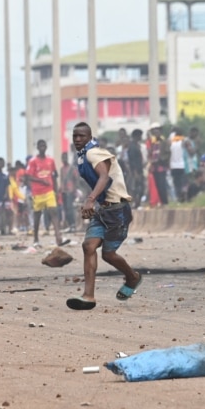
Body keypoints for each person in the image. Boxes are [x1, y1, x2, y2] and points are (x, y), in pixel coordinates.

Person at [66, 122, 141, 311]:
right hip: (103, 209)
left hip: (117, 210)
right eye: (75, 136)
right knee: (88, 246)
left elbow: (104, 177)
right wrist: (93, 202)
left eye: (81, 136)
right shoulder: (83, 156)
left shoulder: (93, 153)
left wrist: (90, 199)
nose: (77, 139)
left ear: (89, 137)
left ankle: (132, 277)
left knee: (108, 254)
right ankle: (88, 296)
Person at [26, 140, 67, 247]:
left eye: (44, 145)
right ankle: (35, 238)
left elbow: (54, 175)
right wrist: (40, 181)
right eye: (40, 145)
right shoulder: (33, 161)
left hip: (49, 191)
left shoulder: (50, 160)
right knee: (37, 216)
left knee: (53, 212)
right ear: (38, 147)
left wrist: (56, 190)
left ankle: (58, 237)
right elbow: (28, 176)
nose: (42, 147)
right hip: (37, 192)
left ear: (46, 147)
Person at [147, 123, 170, 206]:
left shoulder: (164, 141)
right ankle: (161, 202)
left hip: (161, 166)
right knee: (156, 185)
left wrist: (161, 159)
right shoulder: (152, 143)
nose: (156, 133)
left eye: (157, 131)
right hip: (154, 167)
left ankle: (165, 201)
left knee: (162, 184)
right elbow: (150, 154)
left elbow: (168, 153)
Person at [59, 151, 79, 233]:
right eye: (63, 157)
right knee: (66, 209)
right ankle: (70, 225)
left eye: (65, 157)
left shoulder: (72, 168)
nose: (64, 159)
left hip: (70, 191)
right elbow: (61, 180)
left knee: (70, 209)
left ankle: (73, 225)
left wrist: (74, 189)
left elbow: (76, 179)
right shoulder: (61, 169)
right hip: (64, 191)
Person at [127, 129, 146, 209]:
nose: (141, 137)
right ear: (136, 136)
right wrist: (135, 172)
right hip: (136, 171)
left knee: (140, 188)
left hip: (139, 170)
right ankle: (134, 203)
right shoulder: (132, 147)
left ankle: (137, 203)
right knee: (136, 188)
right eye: (140, 135)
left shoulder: (136, 145)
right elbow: (132, 161)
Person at [169, 128, 188, 202]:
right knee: (183, 183)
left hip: (173, 166)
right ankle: (183, 197)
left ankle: (178, 198)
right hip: (182, 165)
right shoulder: (183, 141)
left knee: (176, 184)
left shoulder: (171, 142)